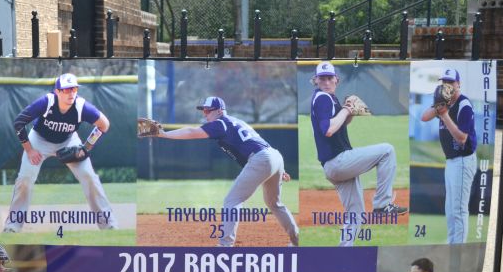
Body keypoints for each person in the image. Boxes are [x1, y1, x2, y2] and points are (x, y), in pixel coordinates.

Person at [152, 96, 299, 247]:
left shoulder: (220, 123)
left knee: (232, 200)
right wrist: (277, 168)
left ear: (220, 111)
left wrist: (164, 134)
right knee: (274, 203)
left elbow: (191, 131)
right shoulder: (237, 121)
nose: (205, 114)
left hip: (262, 158)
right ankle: (296, 240)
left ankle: (225, 246)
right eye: (204, 110)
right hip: (274, 156)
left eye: (208, 110)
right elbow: (260, 143)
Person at [3, 73, 117, 232]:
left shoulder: (81, 106)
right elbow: (18, 123)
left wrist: (86, 148)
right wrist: (29, 150)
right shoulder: (46, 102)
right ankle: (12, 226)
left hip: (69, 141)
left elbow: (104, 124)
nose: (71, 93)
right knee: (25, 178)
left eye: (74, 89)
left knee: (89, 176)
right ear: (57, 91)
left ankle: (109, 224)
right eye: (67, 89)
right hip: (39, 140)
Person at [310, 61, 407, 246]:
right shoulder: (323, 98)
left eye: (329, 78)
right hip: (338, 161)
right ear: (315, 80)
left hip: (334, 167)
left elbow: (339, 125)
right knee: (387, 150)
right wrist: (347, 109)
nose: (326, 82)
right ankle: (382, 204)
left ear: (336, 80)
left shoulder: (328, 98)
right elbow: (328, 130)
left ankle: (343, 256)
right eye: (322, 78)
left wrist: (349, 113)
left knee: (355, 214)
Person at [421, 69, 477, 244]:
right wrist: (438, 105)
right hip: (451, 161)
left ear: (458, 84)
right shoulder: (444, 102)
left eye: (451, 82)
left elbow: (461, 139)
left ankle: (457, 248)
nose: (448, 85)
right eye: (444, 82)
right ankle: (452, 244)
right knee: (450, 209)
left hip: (463, 159)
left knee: (458, 210)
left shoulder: (464, 105)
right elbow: (424, 117)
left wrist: (444, 114)